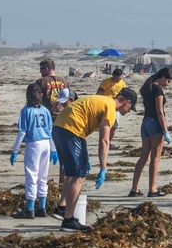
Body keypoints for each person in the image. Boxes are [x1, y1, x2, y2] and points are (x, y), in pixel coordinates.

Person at [51, 89, 138, 232]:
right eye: (130, 108)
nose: (129, 111)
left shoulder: (104, 100)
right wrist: (103, 168)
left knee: (72, 173)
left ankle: (62, 208)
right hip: (71, 130)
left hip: (59, 127)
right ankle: (68, 220)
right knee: (79, 176)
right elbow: (104, 140)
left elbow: (83, 115)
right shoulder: (110, 108)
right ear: (127, 102)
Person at [9, 84, 53, 219]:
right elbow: (51, 131)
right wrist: (54, 149)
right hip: (46, 143)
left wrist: (15, 150)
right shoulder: (45, 110)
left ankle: (29, 210)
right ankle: (42, 208)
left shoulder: (26, 111)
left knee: (31, 176)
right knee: (42, 177)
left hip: (34, 144)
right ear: (41, 95)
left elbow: (22, 131)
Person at [129, 68, 172, 198]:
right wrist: (165, 130)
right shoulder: (158, 90)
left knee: (144, 157)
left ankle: (134, 188)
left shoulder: (147, 87)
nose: (168, 84)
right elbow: (160, 111)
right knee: (155, 158)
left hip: (145, 122)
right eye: (168, 81)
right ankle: (152, 189)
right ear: (163, 77)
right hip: (155, 123)